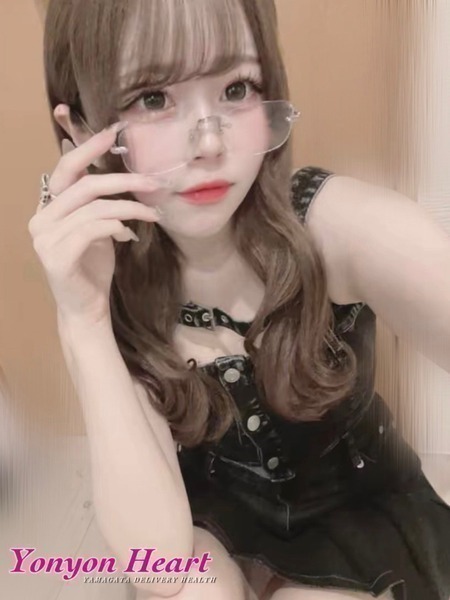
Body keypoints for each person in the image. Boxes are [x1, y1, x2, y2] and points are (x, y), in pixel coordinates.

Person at [29, 1, 450, 599]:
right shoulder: (108, 277)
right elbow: (159, 559)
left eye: (236, 88)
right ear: (79, 129)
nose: (209, 142)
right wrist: (83, 319)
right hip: (213, 528)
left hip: (358, 516)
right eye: (153, 98)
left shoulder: (338, 228)